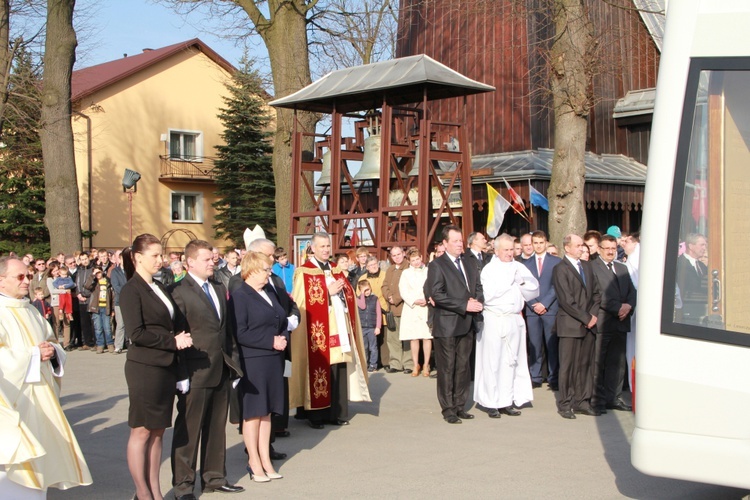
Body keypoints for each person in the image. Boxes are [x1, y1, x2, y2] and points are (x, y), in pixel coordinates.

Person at [0, 256, 92, 497]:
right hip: (14, 401)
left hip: (41, 397)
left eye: (28, 276)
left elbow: (51, 341)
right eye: (20, 277)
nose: (26, 281)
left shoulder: (30, 309)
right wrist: (32, 354)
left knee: (40, 469)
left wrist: (53, 352)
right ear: (1, 281)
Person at [119, 234, 193, 500]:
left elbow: (171, 321)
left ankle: (155, 491)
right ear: (137, 258)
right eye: (155, 255)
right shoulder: (131, 289)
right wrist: (172, 341)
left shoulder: (159, 286)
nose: (160, 260)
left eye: (161, 255)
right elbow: (136, 334)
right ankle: (142, 492)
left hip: (165, 366)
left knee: (159, 431)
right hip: (144, 368)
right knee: (141, 431)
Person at [169, 240, 244, 499]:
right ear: (189, 262)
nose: (212, 262)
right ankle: (183, 486)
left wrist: (233, 365)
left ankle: (214, 477)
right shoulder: (178, 290)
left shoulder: (217, 285)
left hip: (220, 368)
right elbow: (177, 332)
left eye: (213, 258)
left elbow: (226, 330)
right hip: (195, 370)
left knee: (215, 427)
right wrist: (181, 374)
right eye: (206, 259)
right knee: (188, 432)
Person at [290, 232, 370, 429]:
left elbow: (348, 293)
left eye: (328, 246)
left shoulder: (336, 269)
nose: (326, 249)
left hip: (339, 327)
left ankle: (337, 412)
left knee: (338, 368)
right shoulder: (304, 271)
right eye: (322, 246)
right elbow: (301, 302)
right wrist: (327, 292)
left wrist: (344, 291)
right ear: (313, 248)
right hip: (318, 331)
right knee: (320, 368)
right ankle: (316, 415)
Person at [230, 252, 290, 483]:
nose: (268, 273)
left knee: (266, 413)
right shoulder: (240, 296)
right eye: (265, 269)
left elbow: (281, 319)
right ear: (252, 270)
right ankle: (253, 461)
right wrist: (270, 341)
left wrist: (283, 337)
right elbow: (240, 332)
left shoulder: (268, 292)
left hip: (273, 359)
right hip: (253, 360)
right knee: (253, 414)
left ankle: (266, 459)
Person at [424, 225, 483, 424]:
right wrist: (463, 305)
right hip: (447, 324)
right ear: (445, 243)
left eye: (461, 240)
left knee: (463, 367)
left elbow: (476, 286)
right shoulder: (437, 265)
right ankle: (448, 408)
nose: (459, 244)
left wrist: (477, 302)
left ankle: (460, 405)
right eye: (455, 241)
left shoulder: (468, 263)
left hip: (467, 323)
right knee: (447, 367)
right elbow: (437, 294)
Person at [476, 234, 539, 418]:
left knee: (511, 361)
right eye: (506, 250)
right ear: (496, 250)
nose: (510, 254)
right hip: (495, 319)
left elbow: (533, 288)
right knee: (493, 361)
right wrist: (509, 282)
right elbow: (489, 294)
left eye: (512, 249)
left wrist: (521, 282)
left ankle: (507, 399)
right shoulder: (489, 270)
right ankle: (491, 401)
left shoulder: (518, 267)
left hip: (513, 319)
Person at [552, 234, 601, 419]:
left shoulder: (587, 267)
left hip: (589, 324)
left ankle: (582, 401)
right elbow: (566, 300)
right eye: (578, 245)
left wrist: (593, 315)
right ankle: (565, 403)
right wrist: (585, 317)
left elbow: (597, 293)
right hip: (571, 325)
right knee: (568, 366)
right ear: (567, 248)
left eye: (582, 245)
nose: (582, 248)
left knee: (585, 364)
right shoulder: (560, 269)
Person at [590, 234, 636, 413]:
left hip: (621, 323)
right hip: (604, 322)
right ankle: (598, 399)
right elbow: (599, 294)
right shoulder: (593, 267)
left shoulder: (622, 268)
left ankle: (614, 397)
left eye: (612, 248)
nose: (610, 252)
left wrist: (629, 306)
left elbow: (632, 291)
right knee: (600, 362)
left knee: (617, 363)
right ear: (600, 249)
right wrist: (618, 308)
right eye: (606, 248)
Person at [523, 230, 562, 390]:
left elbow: (556, 285)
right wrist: (534, 303)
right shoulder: (525, 264)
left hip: (550, 308)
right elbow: (523, 285)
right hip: (532, 310)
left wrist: (544, 303)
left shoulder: (556, 261)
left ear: (546, 243)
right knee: (534, 344)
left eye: (541, 242)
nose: (538, 246)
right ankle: (535, 376)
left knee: (551, 344)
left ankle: (554, 377)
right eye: (535, 243)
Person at [398, 247, 432, 377]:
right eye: (413, 260)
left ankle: (426, 364)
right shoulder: (406, 273)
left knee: (427, 336)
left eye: (418, 259)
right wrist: (413, 300)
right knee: (414, 337)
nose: (416, 262)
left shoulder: (428, 271)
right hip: (412, 307)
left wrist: (427, 299)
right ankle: (415, 364)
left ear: (421, 258)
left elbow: (432, 286)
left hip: (425, 306)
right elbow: (403, 290)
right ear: (409, 261)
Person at [381, 245, 414, 374]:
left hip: (405, 308)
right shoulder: (389, 270)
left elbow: (409, 287)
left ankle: (408, 363)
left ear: (403, 253)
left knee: (406, 337)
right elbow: (384, 285)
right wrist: (388, 295)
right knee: (393, 337)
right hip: (392, 310)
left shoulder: (409, 268)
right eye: (394, 255)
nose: (396, 257)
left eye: (398, 254)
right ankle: (395, 363)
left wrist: (396, 298)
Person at [358, 255, 390, 370]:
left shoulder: (385, 274)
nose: (373, 267)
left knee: (383, 339)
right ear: (366, 267)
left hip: (383, 309)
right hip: (368, 313)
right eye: (370, 265)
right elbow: (359, 296)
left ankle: (385, 362)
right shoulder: (362, 278)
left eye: (375, 264)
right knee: (370, 343)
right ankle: (370, 363)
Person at [675, 232, 708, 324]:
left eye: (705, 245)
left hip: (701, 308)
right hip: (686, 309)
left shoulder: (701, 265)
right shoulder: (679, 264)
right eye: (702, 245)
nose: (704, 248)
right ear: (691, 246)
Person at [622, 232, 640, 390]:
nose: (623, 244)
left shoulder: (635, 258)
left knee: (634, 348)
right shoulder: (633, 258)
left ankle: (634, 386)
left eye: (626, 241)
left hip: (637, 307)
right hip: (635, 307)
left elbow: (634, 285)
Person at [86, 267, 115, 353]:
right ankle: (100, 345)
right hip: (96, 308)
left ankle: (110, 344)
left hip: (106, 307)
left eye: (99, 272)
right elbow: (86, 286)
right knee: (98, 328)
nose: (98, 274)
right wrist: (92, 275)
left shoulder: (108, 282)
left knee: (107, 328)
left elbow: (112, 297)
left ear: (102, 272)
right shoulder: (94, 283)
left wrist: (112, 309)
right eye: (96, 273)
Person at [356, 280, 381, 372]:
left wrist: (378, 327)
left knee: (373, 347)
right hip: (362, 327)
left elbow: (378, 313)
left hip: (371, 327)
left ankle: (373, 364)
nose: (367, 292)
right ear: (360, 291)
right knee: (364, 347)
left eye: (368, 289)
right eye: (364, 290)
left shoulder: (375, 298)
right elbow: (362, 306)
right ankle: (364, 364)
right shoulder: (358, 299)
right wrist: (362, 295)